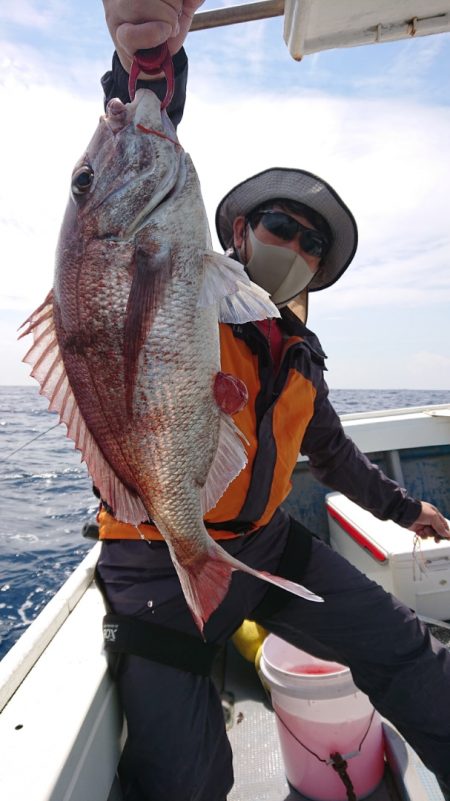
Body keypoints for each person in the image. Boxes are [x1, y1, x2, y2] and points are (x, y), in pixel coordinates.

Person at [96, 3, 450, 799]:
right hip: (158, 557)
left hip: (263, 545)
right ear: (236, 228)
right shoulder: (186, 284)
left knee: (408, 652)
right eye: (281, 225)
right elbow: (133, 175)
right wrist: (146, 66)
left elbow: (330, 453)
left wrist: (405, 511)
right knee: (184, 779)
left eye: (311, 243)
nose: (293, 246)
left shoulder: (296, 353)